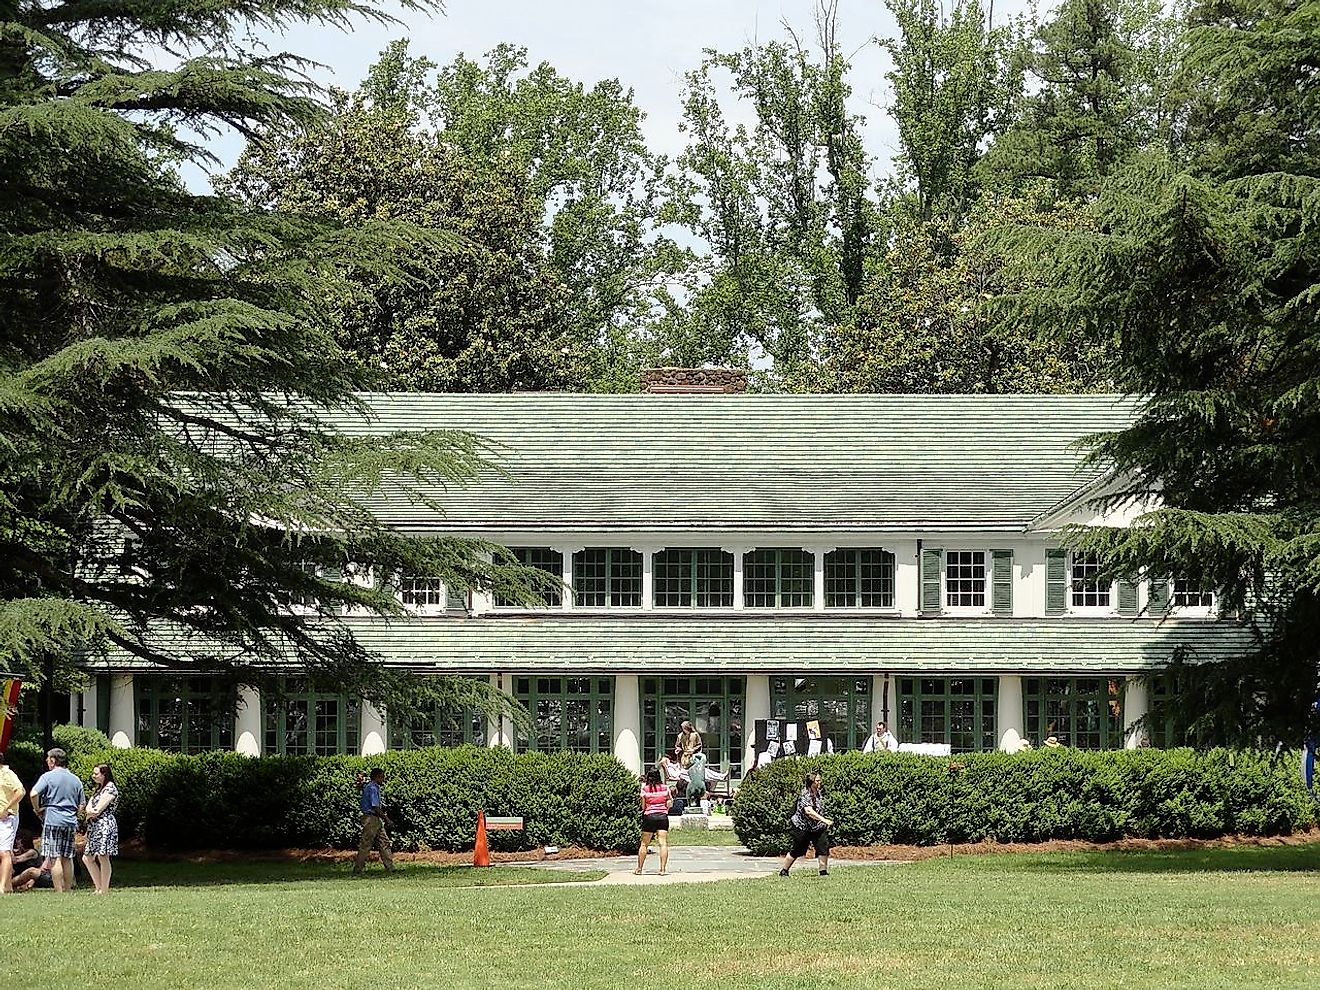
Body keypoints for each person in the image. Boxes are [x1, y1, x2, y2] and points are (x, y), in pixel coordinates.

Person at [30, 747, 85, 892]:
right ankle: (67, 889)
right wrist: (75, 815)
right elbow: (81, 805)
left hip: (53, 819)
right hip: (70, 822)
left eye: (48, 759)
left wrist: (37, 809)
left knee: (55, 857)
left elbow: (33, 793)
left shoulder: (47, 777)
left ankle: (58, 890)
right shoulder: (76, 779)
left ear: (53, 760)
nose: (47, 762)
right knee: (67, 857)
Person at [779, 771, 833, 877]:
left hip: (817, 826)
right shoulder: (805, 794)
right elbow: (809, 811)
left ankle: (823, 872)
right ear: (811, 782)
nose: (820, 782)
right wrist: (824, 820)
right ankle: (784, 871)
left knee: (823, 847)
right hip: (802, 827)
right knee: (797, 849)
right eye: (817, 780)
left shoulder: (819, 792)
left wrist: (821, 822)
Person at [81, 763, 119, 894]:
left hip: (105, 825)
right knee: (87, 858)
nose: (93, 776)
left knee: (103, 856)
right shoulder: (98, 789)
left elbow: (97, 809)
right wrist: (90, 812)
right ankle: (98, 887)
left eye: (96, 774)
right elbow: (88, 808)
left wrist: (91, 812)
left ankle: (104, 889)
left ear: (104, 775)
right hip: (94, 826)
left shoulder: (110, 788)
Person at [353, 768, 395, 874]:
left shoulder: (370, 786)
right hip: (371, 818)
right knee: (366, 844)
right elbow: (375, 807)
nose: (383, 779)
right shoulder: (372, 788)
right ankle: (358, 869)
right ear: (376, 777)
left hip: (375, 819)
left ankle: (390, 867)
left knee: (384, 842)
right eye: (382, 777)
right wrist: (387, 819)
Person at [634, 768, 671, 876]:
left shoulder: (645, 789)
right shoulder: (665, 788)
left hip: (649, 816)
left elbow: (643, 806)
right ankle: (663, 869)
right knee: (663, 843)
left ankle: (639, 869)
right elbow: (669, 802)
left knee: (644, 843)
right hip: (662, 817)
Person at [0, 750, 24, 894]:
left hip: (7, 817)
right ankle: (8, 886)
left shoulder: (8, 774)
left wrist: (6, 808)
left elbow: (20, 791)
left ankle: (2, 888)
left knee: (4, 852)